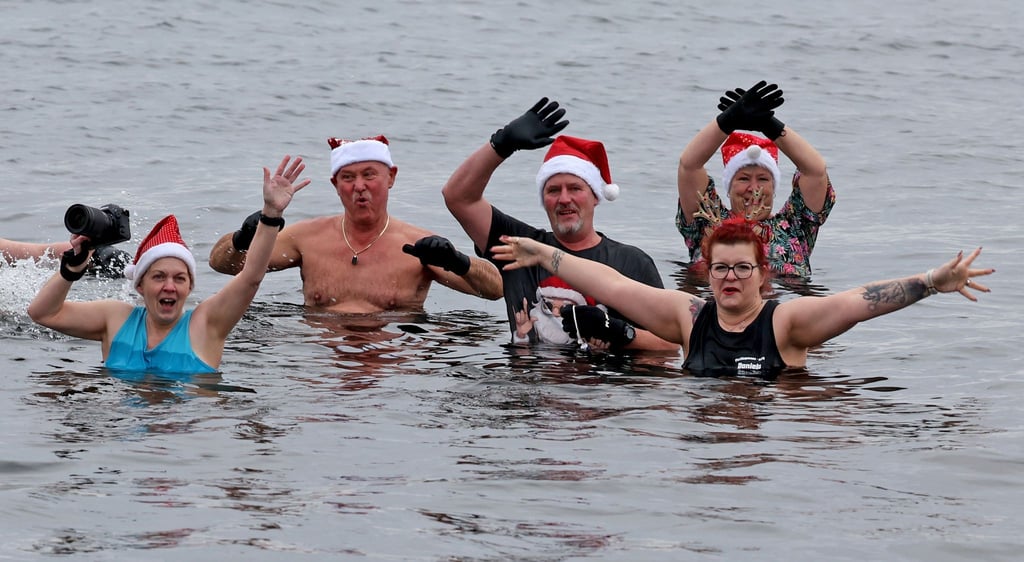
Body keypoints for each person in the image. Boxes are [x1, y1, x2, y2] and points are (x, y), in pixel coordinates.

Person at [492, 216, 994, 376]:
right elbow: (614, 285)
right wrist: (545, 254)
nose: (730, 278)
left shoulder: (786, 324)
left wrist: (930, 281)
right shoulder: (689, 316)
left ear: (761, 276)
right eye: (721, 268)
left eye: (742, 268)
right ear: (708, 274)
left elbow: (856, 302)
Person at [28, 156, 309, 373]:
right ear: (139, 284)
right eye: (159, 277)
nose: (170, 287)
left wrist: (271, 215)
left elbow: (250, 278)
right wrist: (71, 270)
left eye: (179, 279)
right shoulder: (115, 318)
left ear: (190, 287)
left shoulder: (205, 325)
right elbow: (43, 314)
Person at [441, 98, 678, 352]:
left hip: (600, 388)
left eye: (575, 188)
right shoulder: (520, 246)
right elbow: (458, 197)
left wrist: (621, 333)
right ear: (543, 200)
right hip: (524, 387)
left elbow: (670, 344)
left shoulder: (632, 262)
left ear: (595, 196)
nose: (564, 199)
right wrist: (502, 144)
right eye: (553, 190)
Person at [208, 135, 503, 313]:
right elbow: (223, 264)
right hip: (318, 362)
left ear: (391, 177)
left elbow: (495, 289)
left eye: (369, 175)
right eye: (348, 178)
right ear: (335, 185)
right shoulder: (308, 239)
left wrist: (459, 261)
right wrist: (244, 236)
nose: (359, 186)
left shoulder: (418, 246)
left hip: (392, 364)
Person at [676, 81, 834, 277]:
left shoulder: (795, 227)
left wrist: (769, 125)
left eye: (763, 179)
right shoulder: (708, 221)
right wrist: (727, 121)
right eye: (743, 179)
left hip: (782, 303)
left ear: (774, 187)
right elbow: (689, 166)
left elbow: (815, 171)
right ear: (729, 186)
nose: (753, 187)